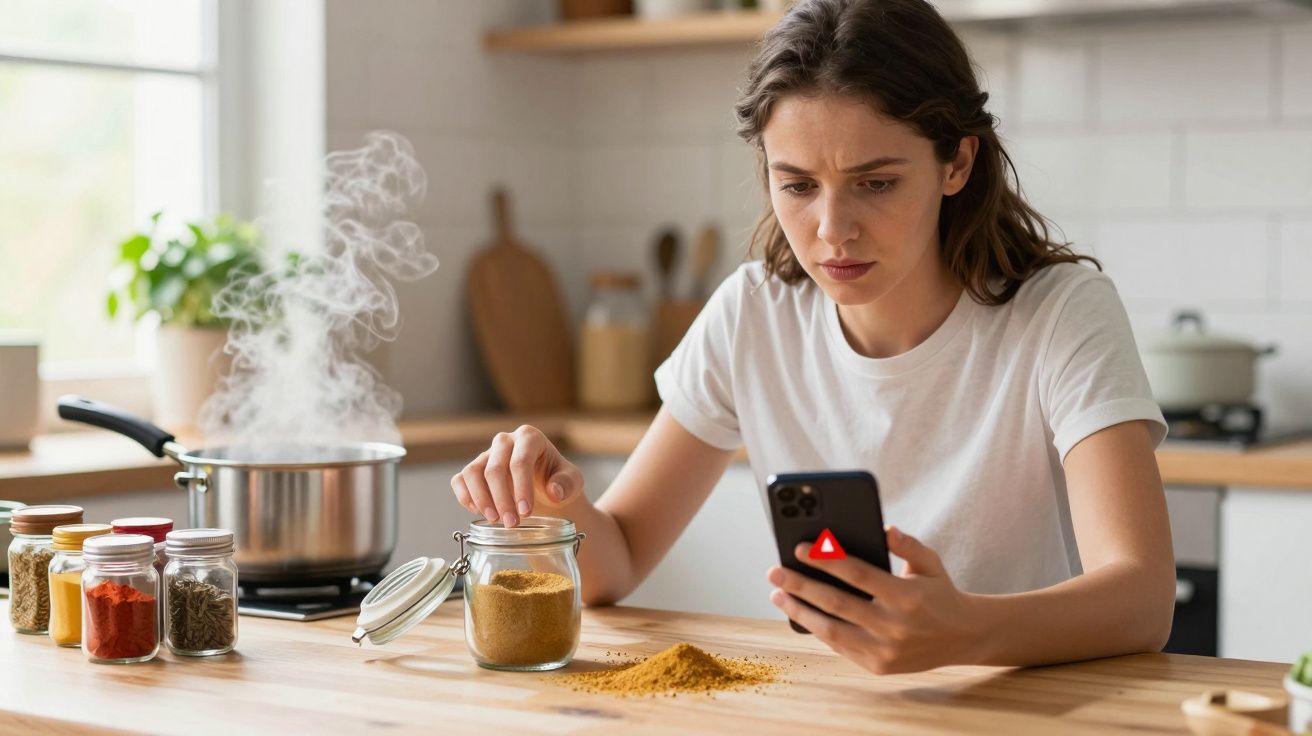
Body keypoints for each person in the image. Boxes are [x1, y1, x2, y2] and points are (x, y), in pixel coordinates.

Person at [450, 0, 1175, 675]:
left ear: (957, 162)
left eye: (877, 183)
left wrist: (967, 630)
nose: (832, 230)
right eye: (797, 185)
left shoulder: (1059, 314)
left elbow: (1143, 599)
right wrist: (559, 501)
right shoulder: (752, 315)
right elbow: (621, 558)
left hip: (1023, 706)